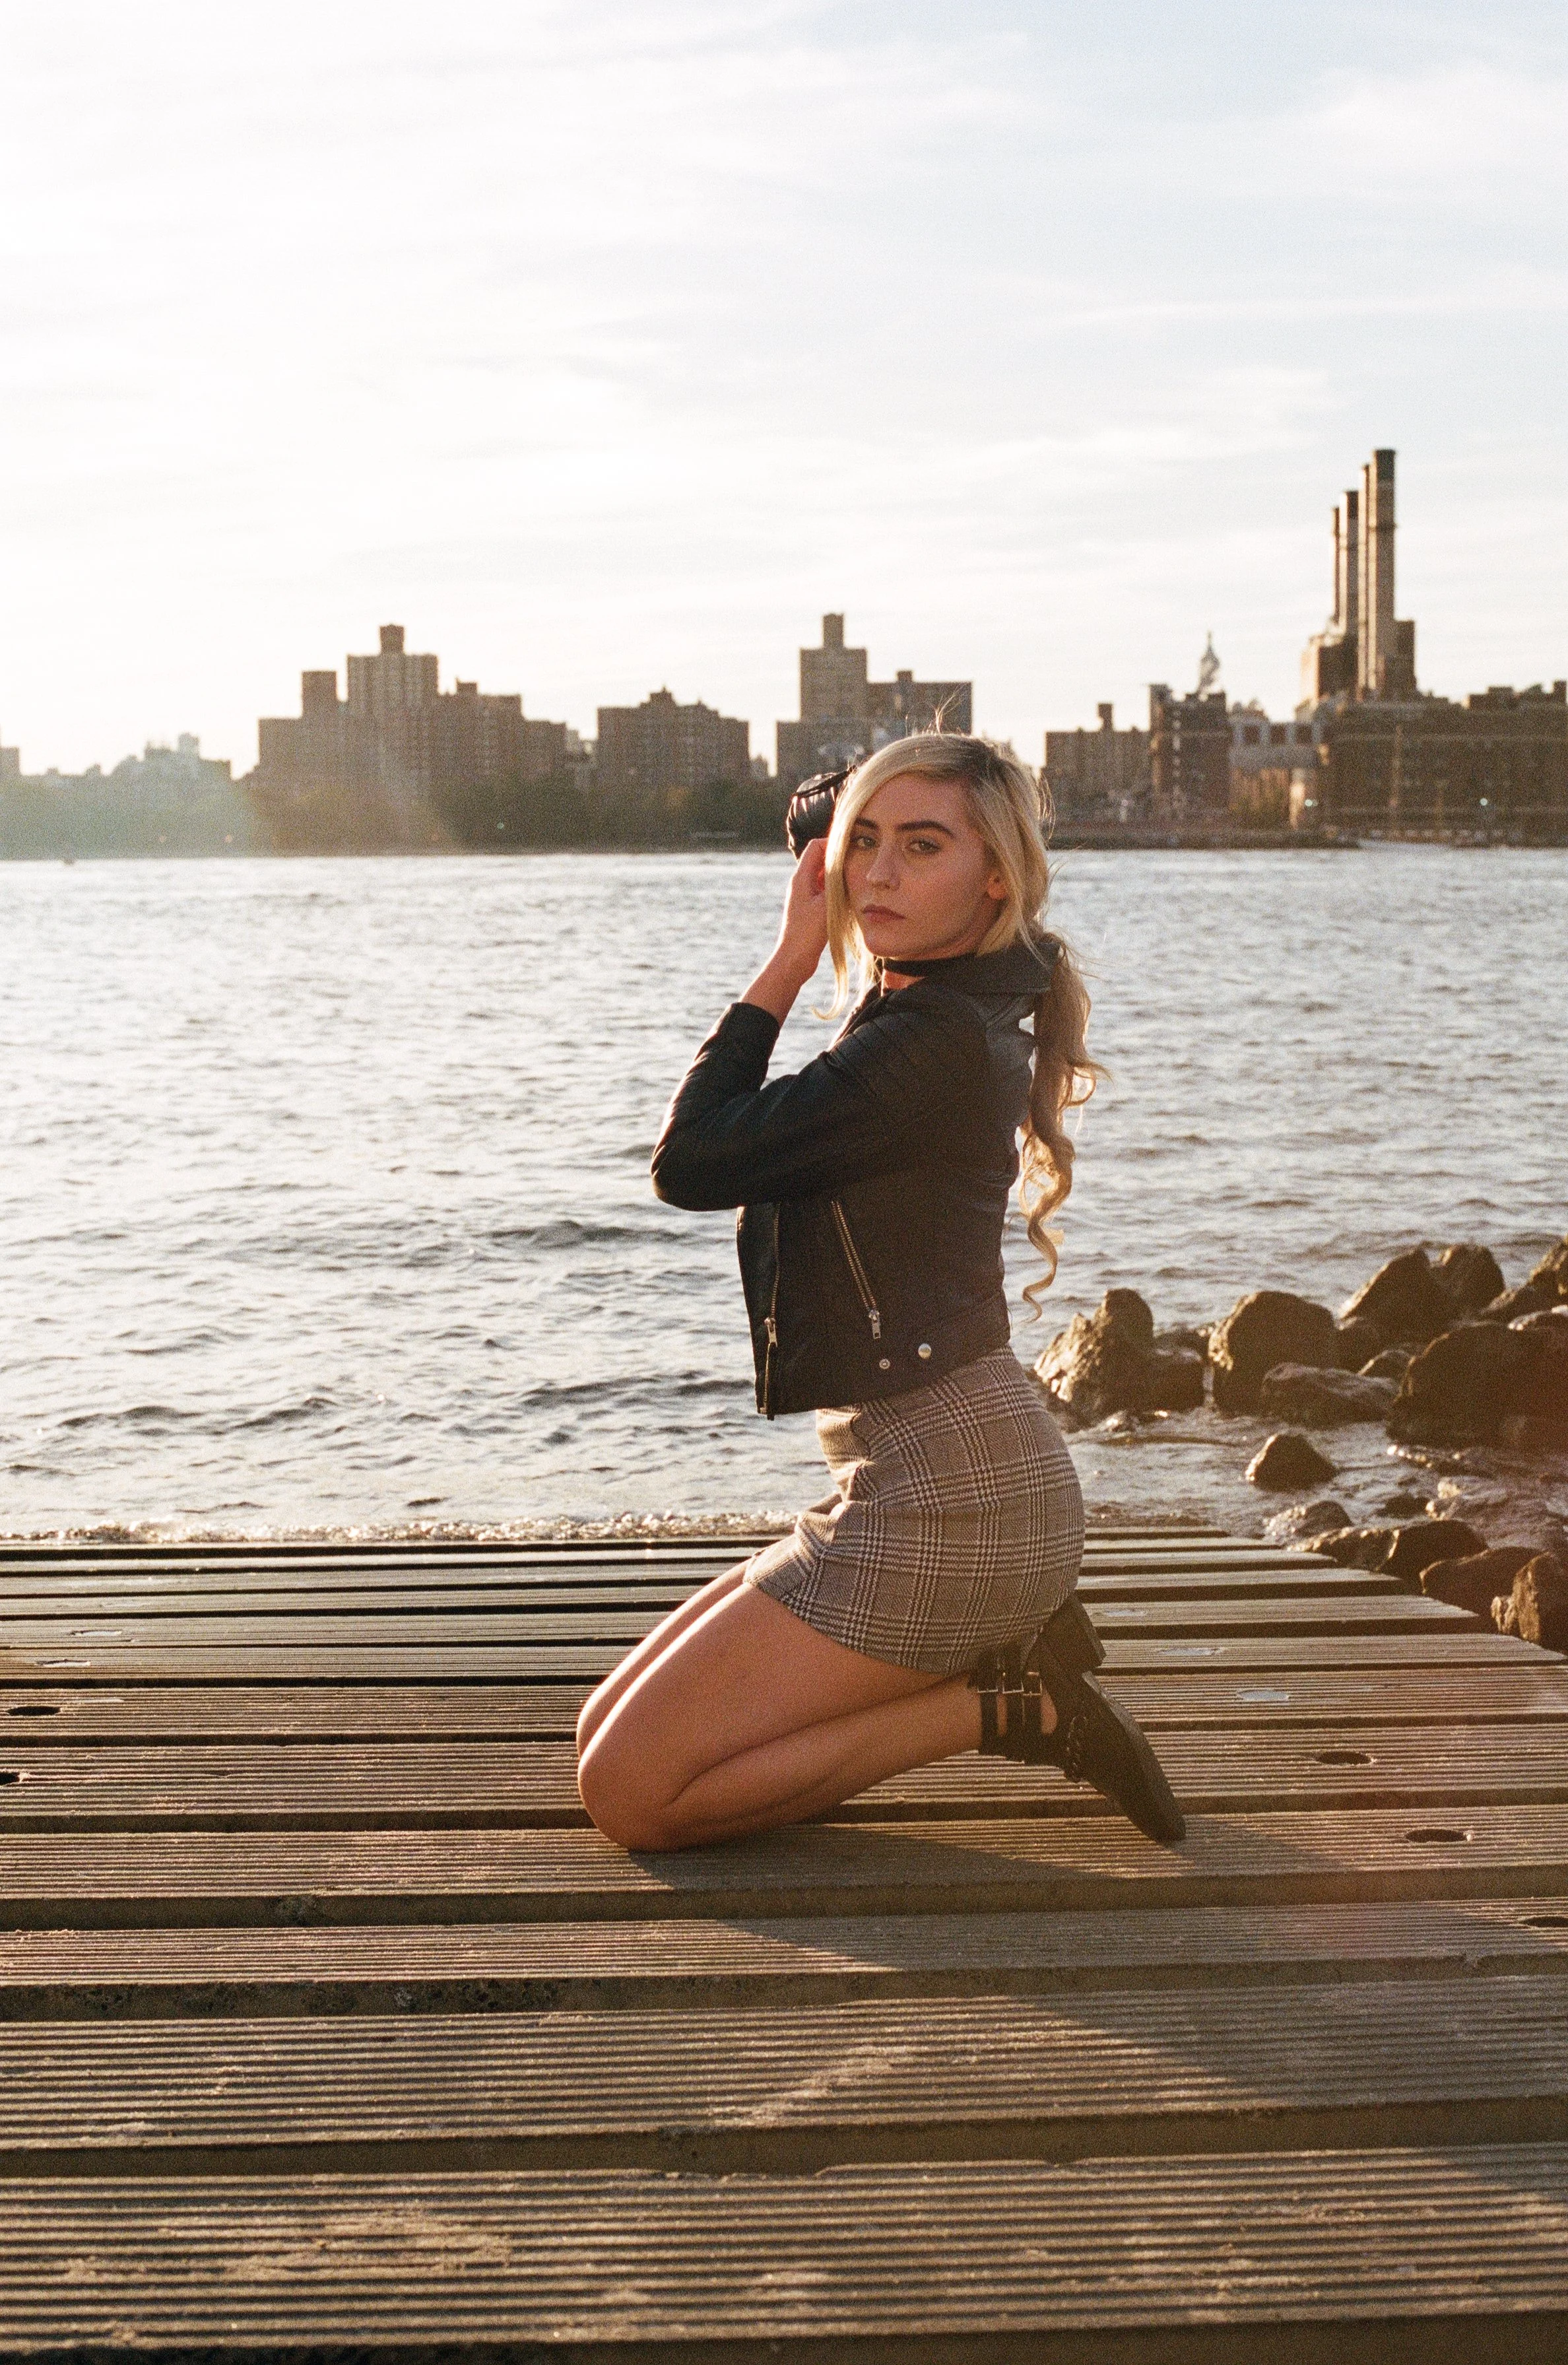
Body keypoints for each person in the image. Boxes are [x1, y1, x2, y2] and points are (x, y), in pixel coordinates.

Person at [576, 733, 1183, 1852]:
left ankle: (1015, 1701)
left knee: (631, 1793)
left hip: (960, 1503)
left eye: (923, 845)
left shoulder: (928, 1044)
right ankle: (1012, 1657)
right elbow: (863, 856)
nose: (881, 873)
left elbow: (695, 1159)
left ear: (995, 872)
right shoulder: (943, 999)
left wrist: (793, 955)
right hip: (921, 1477)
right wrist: (834, 831)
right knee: (603, 1733)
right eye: (864, 845)